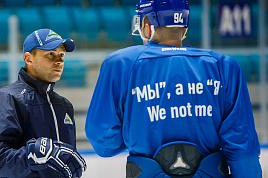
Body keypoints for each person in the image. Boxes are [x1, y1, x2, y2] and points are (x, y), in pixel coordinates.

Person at [85, 0, 262, 177]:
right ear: (184, 29)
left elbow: (103, 140)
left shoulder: (121, 63)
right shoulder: (223, 66)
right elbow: (243, 146)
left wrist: (136, 131)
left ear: (147, 26)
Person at [0, 29, 86, 178]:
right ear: (29, 59)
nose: (59, 61)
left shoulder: (64, 105)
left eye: (61, 55)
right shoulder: (7, 98)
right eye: (51, 54)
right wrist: (32, 156)